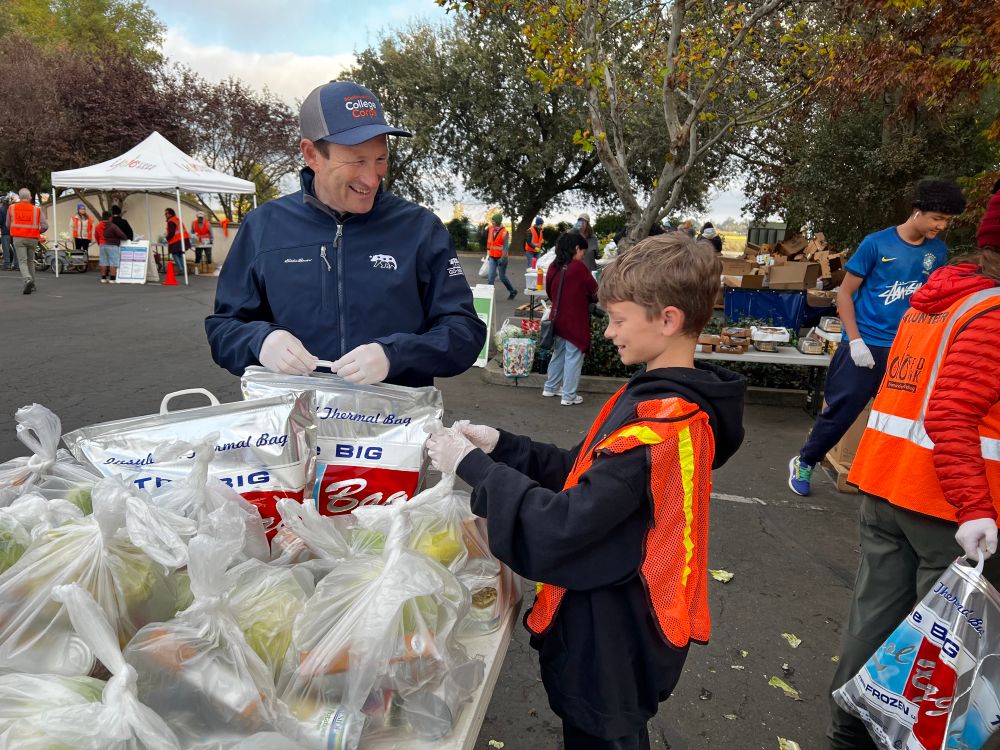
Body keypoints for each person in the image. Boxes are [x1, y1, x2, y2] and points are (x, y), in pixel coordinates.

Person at [423, 233, 744, 750]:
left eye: (618, 319)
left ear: (667, 320)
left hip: (618, 635)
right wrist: (504, 447)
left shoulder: (662, 425)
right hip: (612, 623)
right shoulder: (655, 396)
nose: (609, 331)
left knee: (605, 738)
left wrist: (475, 469)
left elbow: (563, 524)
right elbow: (582, 470)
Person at [826, 186, 1000, 750]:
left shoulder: (940, 297)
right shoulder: (992, 311)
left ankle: (847, 731)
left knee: (874, 621)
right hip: (949, 509)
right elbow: (953, 412)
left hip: (887, 485)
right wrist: (976, 507)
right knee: (942, 653)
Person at [205, 80, 486, 388]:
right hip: (295, 423)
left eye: (380, 159)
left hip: (396, 425)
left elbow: (464, 331)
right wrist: (260, 341)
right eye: (357, 160)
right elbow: (223, 328)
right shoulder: (262, 227)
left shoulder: (420, 228)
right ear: (312, 154)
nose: (372, 177)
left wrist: (396, 354)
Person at [788, 178, 966, 495]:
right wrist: (854, 341)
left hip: (907, 350)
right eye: (937, 218)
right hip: (866, 344)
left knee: (896, 419)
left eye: (947, 220)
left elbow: (933, 300)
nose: (941, 226)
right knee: (842, 413)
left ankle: (879, 478)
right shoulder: (877, 244)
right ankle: (805, 460)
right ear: (918, 211)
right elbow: (844, 294)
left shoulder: (937, 252)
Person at [542, 232, 599, 406]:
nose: (583, 255)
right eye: (583, 251)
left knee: (559, 354)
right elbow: (594, 290)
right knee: (573, 356)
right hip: (575, 321)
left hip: (557, 319)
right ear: (576, 248)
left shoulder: (553, 266)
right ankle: (568, 395)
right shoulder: (578, 268)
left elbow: (549, 292)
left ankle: (550, 388)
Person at [7, 188, 46, 295]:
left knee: (22, 261)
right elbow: (45, 226)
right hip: (33, 238)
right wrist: (37, 231)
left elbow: (7, 224)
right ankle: (32, 284)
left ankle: (27, 279)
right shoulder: (36, 209)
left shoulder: (12, 208)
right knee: (30, 261)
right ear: (30, 198)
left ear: (19, 197)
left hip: (18, 238)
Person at [486, 212, 517, 300]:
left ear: (498, 221)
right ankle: (489, 297)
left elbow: (506, 246)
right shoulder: (491, 229)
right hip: (492, 256)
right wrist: (488, 254)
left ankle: (512, 291)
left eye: (493, 221)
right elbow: (489, 241)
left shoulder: (505, 232)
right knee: (490, 277)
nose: (492, 222)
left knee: (502, 277)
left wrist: (502, 257)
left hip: (501, 258)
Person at [96, 210, 127, 283]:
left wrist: (99, 243)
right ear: (110, 218)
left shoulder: (98, 226)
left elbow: (96, 236)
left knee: (103, 261)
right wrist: (125, 238)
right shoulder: (113, 226)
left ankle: (103, 278)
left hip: (102, 245)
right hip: (112, 245)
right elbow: (121, 235)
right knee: (113, 262)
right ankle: (112, 278)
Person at [164, 207, 190, 277]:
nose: (165, 215)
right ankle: (184, 269)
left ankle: (181, 269)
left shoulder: (171, 221)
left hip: (177, 240)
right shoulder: (177, 219)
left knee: (175, 255)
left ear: (170, 214)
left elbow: (171, 233)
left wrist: (167, 238)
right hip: (183, 239)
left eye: (166, 213)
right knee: (181, 254)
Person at [0, 193, 15, 271]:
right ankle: (17, 266)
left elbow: (0, 220)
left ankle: (7, 265)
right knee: (16, 250)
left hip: (5, 232)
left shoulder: (1, 209)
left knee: (6, 250)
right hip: (14, 232)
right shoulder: (12, 209)